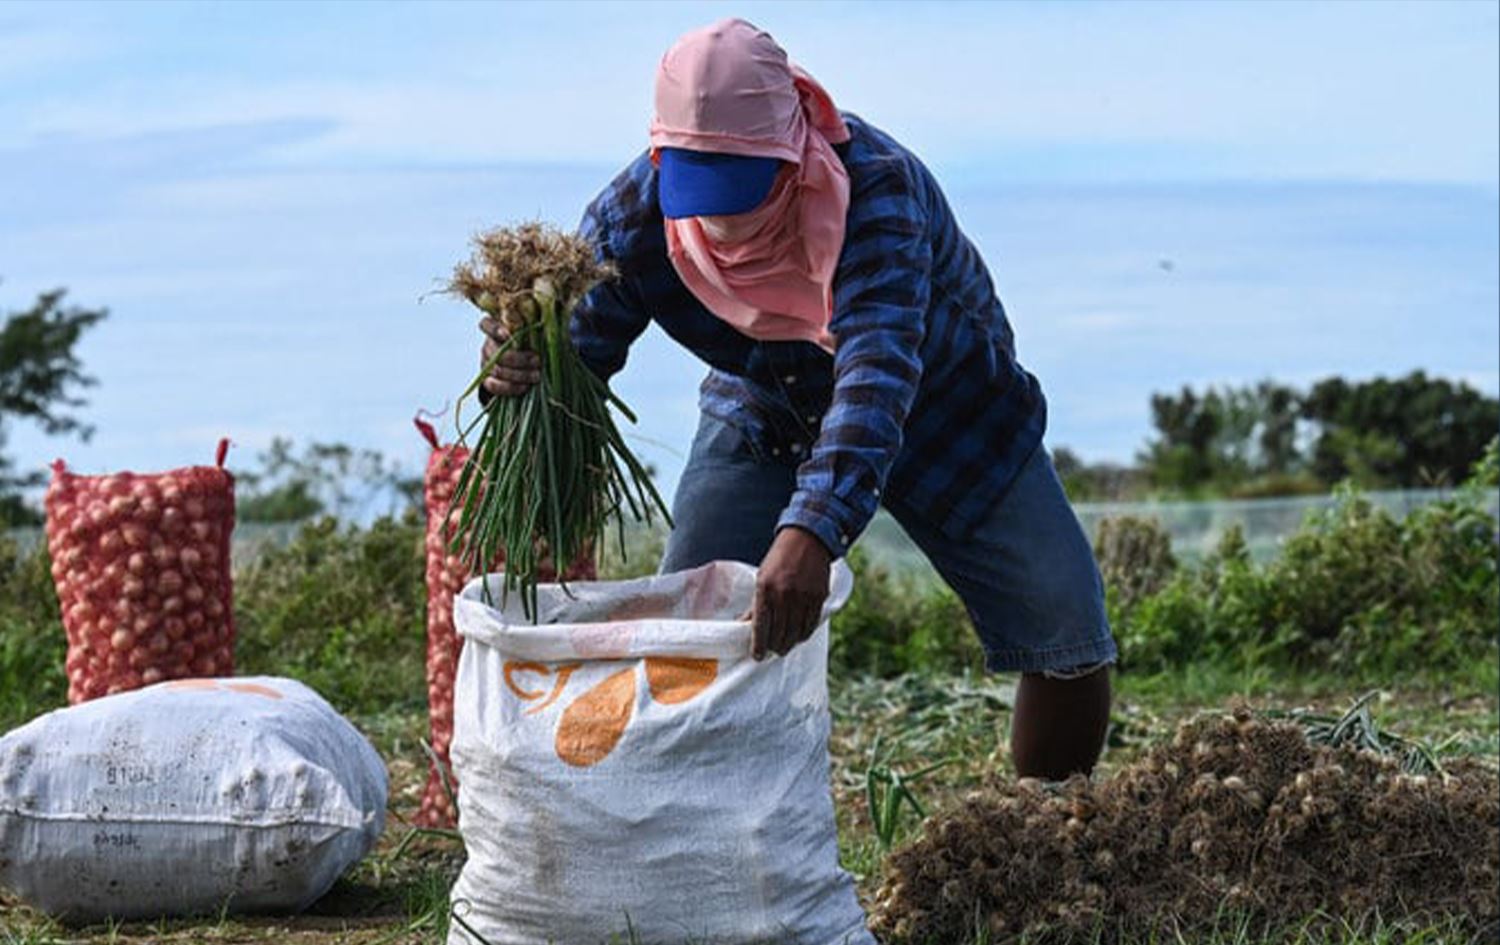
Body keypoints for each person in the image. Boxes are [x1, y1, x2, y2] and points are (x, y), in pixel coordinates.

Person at [479, 18, 1116, 780]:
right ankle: (696, 836)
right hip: (765, 408)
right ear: (663, 154)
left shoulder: (875, 191)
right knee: (693, 637)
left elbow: (877, 374)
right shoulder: (636, 214)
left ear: (793, 144)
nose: (724, 218)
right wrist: (519, 369)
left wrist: (811, 529)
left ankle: (1045, 836)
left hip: (945, 408)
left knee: (1066, 632)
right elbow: (575, 357)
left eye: (743, 184)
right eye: (700, 186)